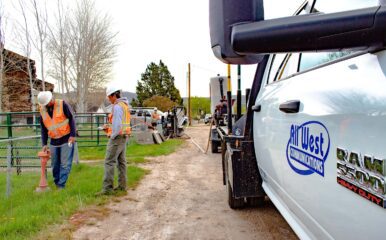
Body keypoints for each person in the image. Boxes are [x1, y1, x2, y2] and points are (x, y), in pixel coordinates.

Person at [38, 91, 76, 189]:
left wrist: (72, 135)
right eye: (46, 104)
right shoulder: (42, 110)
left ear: (52, 98)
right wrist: (44, 143)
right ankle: (57, 183)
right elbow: (43, 128)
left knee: (65, 164)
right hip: (53, 141)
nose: (49, 104)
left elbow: (71, 119)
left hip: (66, 139)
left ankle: (61, 185)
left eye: (49, 101)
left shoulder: (62, 104)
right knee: (55, 164)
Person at [98, 84, 131, 195]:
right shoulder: (124, 105)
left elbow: (117, 126)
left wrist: (112, 135)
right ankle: (122, 186)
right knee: (121, 162)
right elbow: (120, 123)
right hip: (124, 136)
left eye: (109, 97)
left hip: (117, 138)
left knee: (109, 162)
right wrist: (108, 127)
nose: (108, 99)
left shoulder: (117, 106)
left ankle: (107, 189)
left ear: (113, 95)